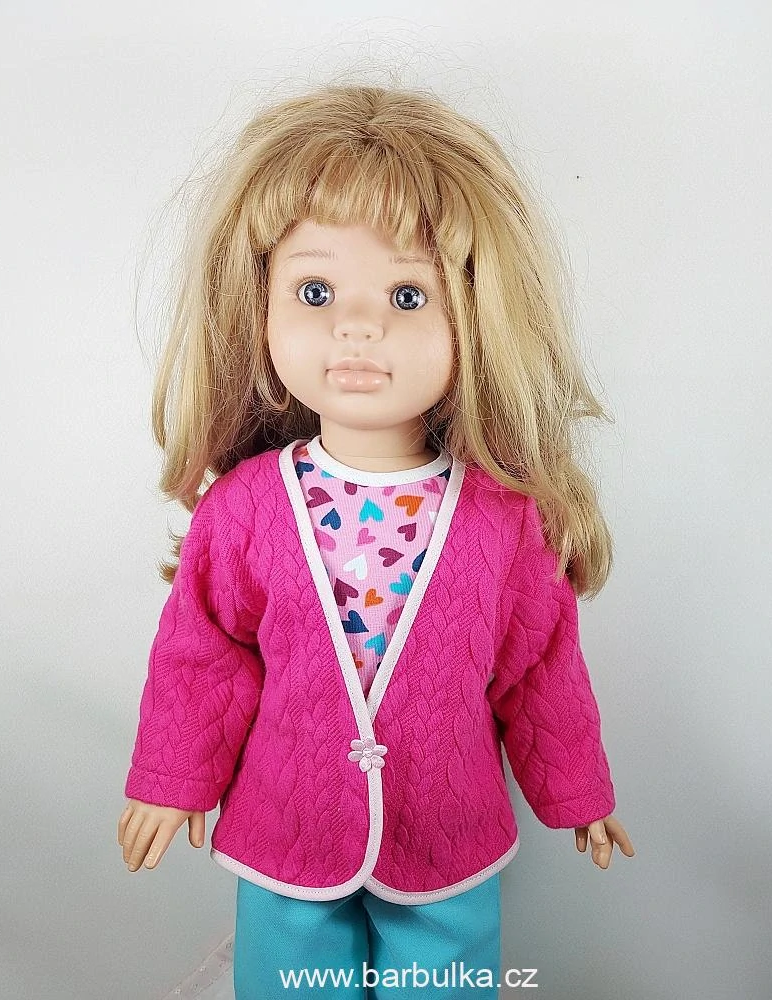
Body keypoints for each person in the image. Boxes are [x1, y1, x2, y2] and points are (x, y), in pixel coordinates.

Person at [117, 82, 635, 999]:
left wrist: (577, 792)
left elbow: (541, 667)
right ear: (259, 306)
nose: (357, 326)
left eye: (406, 294)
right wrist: (172, 774)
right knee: (289, 981)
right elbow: (204, 653)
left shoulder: (503, 521)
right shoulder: (244, 508)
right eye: (315, 291)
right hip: (288, 823)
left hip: (448, 835)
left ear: (475, 319)